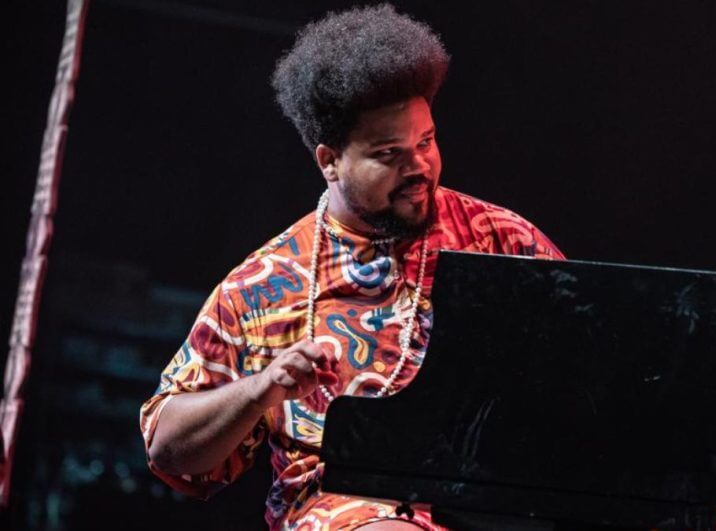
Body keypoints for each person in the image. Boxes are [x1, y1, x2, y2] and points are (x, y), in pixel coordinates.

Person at [140, 4, 563, 530]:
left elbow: (595, 367)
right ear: (330, 162)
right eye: (389, 154)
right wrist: (261, 387)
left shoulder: (499, 239)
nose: (419, 167)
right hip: (347, 507)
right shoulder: (265, 286)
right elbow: (169, 448)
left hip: (495, 504)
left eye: (426, 142)